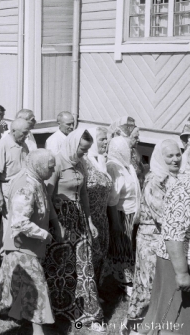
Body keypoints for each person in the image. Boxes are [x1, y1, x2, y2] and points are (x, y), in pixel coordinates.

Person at [0, 150, 57, 335]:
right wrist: (44, 234)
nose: (53, 171)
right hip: (22, 245)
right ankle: (38, 330)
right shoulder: (26, 186)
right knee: (38, 286)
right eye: (50, 167)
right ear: (39, 166)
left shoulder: (36, 180)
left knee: (6, 275)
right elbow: (20, 222)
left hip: (23, 244)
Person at [43, 129, 104, 331]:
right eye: (82, 149)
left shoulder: (81, 164)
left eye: (87, 150)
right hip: (60, 219)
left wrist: (90, 221)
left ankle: (86, 309)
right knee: (60, 265)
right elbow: (47, 196)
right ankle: (56, 308)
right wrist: (56, 223)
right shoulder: (57, 163)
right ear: (72, 144)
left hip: (78, 219)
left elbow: (84, 195)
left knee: (83, 264)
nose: (84, 154)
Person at [123, 140, 182, 333]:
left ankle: (154, 326)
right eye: (170, 156)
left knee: (162, 288)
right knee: (149, 287)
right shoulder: (155, 181)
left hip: (168, 241)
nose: (175, 159)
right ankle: (133, 326)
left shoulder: (175, 178)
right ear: (159, 157)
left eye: (177, 155)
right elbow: (164, 216)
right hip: (153, 241)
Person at [141, 172, 190, 333]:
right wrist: (182, 273)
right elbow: (173, 233)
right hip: (177, 263)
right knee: (173, 322)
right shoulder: (185, 186)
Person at [106, 135, 141, 297]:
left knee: (130, 246)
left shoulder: (128, 166)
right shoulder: (113, 167)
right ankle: (124, 281)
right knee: (122, 247)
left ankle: (130, 278)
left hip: (132, 213)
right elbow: (112, 198)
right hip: (121, 213)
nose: (130, 150)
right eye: (127, 148)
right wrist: (115, 222)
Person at [0, 118, 31, 254]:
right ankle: (9, 252)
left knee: (9, 221)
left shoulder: (23, 144)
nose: (26, 136)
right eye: (24, 133)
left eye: (27, 133)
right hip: (7, 188)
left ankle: (0, 251)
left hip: (21, 188)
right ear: (13, 131)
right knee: (10, 221)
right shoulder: (3, 145)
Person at [84, 127, 114, 285]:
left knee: (100, 254)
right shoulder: (84, 163)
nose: (106, 141)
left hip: (102, 217)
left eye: (106, 138)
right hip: (88, 217)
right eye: (102, 139)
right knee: (90, 254)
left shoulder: (101, 161)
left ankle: (95, 289)